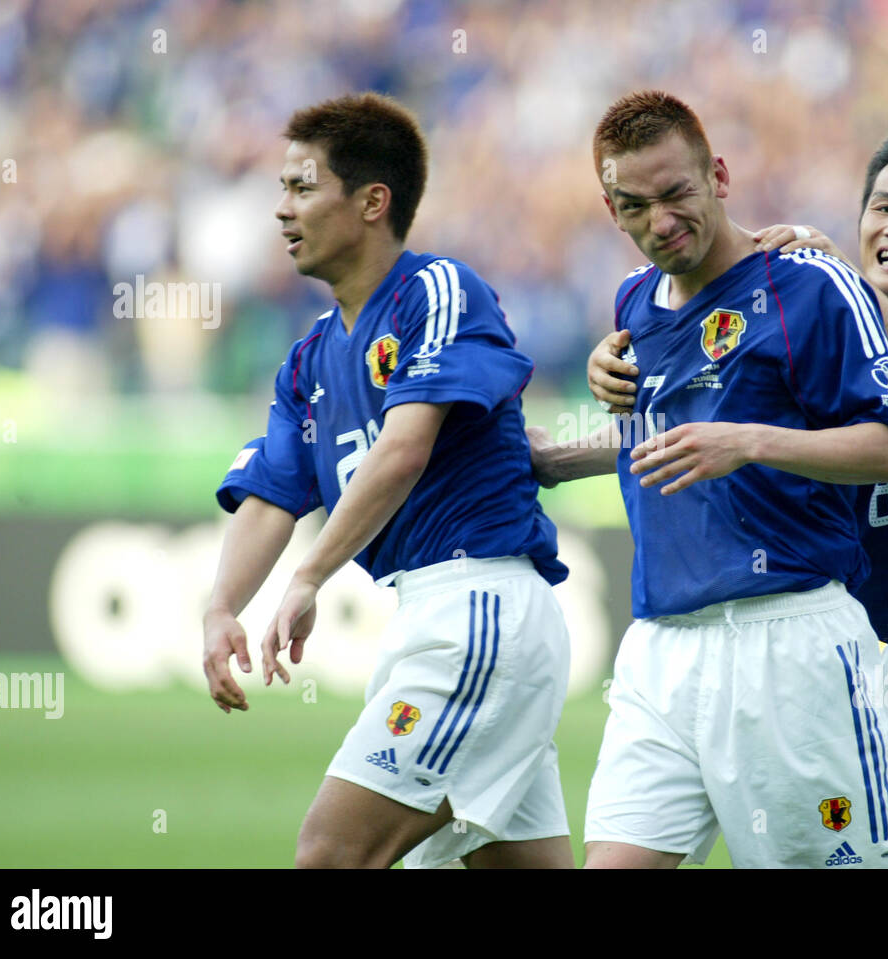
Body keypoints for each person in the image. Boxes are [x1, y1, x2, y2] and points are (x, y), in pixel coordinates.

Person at [531, 90, 888, 868]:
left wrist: (749, 441)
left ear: (718, 174)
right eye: (634, 206)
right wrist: (560, 458)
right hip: (658, 653)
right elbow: (670, 437)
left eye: (676, 194)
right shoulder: (633, 303)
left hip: (791, 646)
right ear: (611, 211)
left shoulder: (809, 284)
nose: (660, 222)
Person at [596, 126, 888, 843]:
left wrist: (844, 280)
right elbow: (710, 421)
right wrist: (580, 422)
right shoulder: (821, 324)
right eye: (881, 207)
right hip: (878, 656)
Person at [201, 92, 574, 869]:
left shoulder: (434, 291)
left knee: (330, 854)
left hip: (478, 610)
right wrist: (220, 607)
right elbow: (274, 492)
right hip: (437, 618)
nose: (281, 210)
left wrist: (308, 575)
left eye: (302, 188)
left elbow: (404, 449)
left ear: (373, 201)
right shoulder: (309, 358)